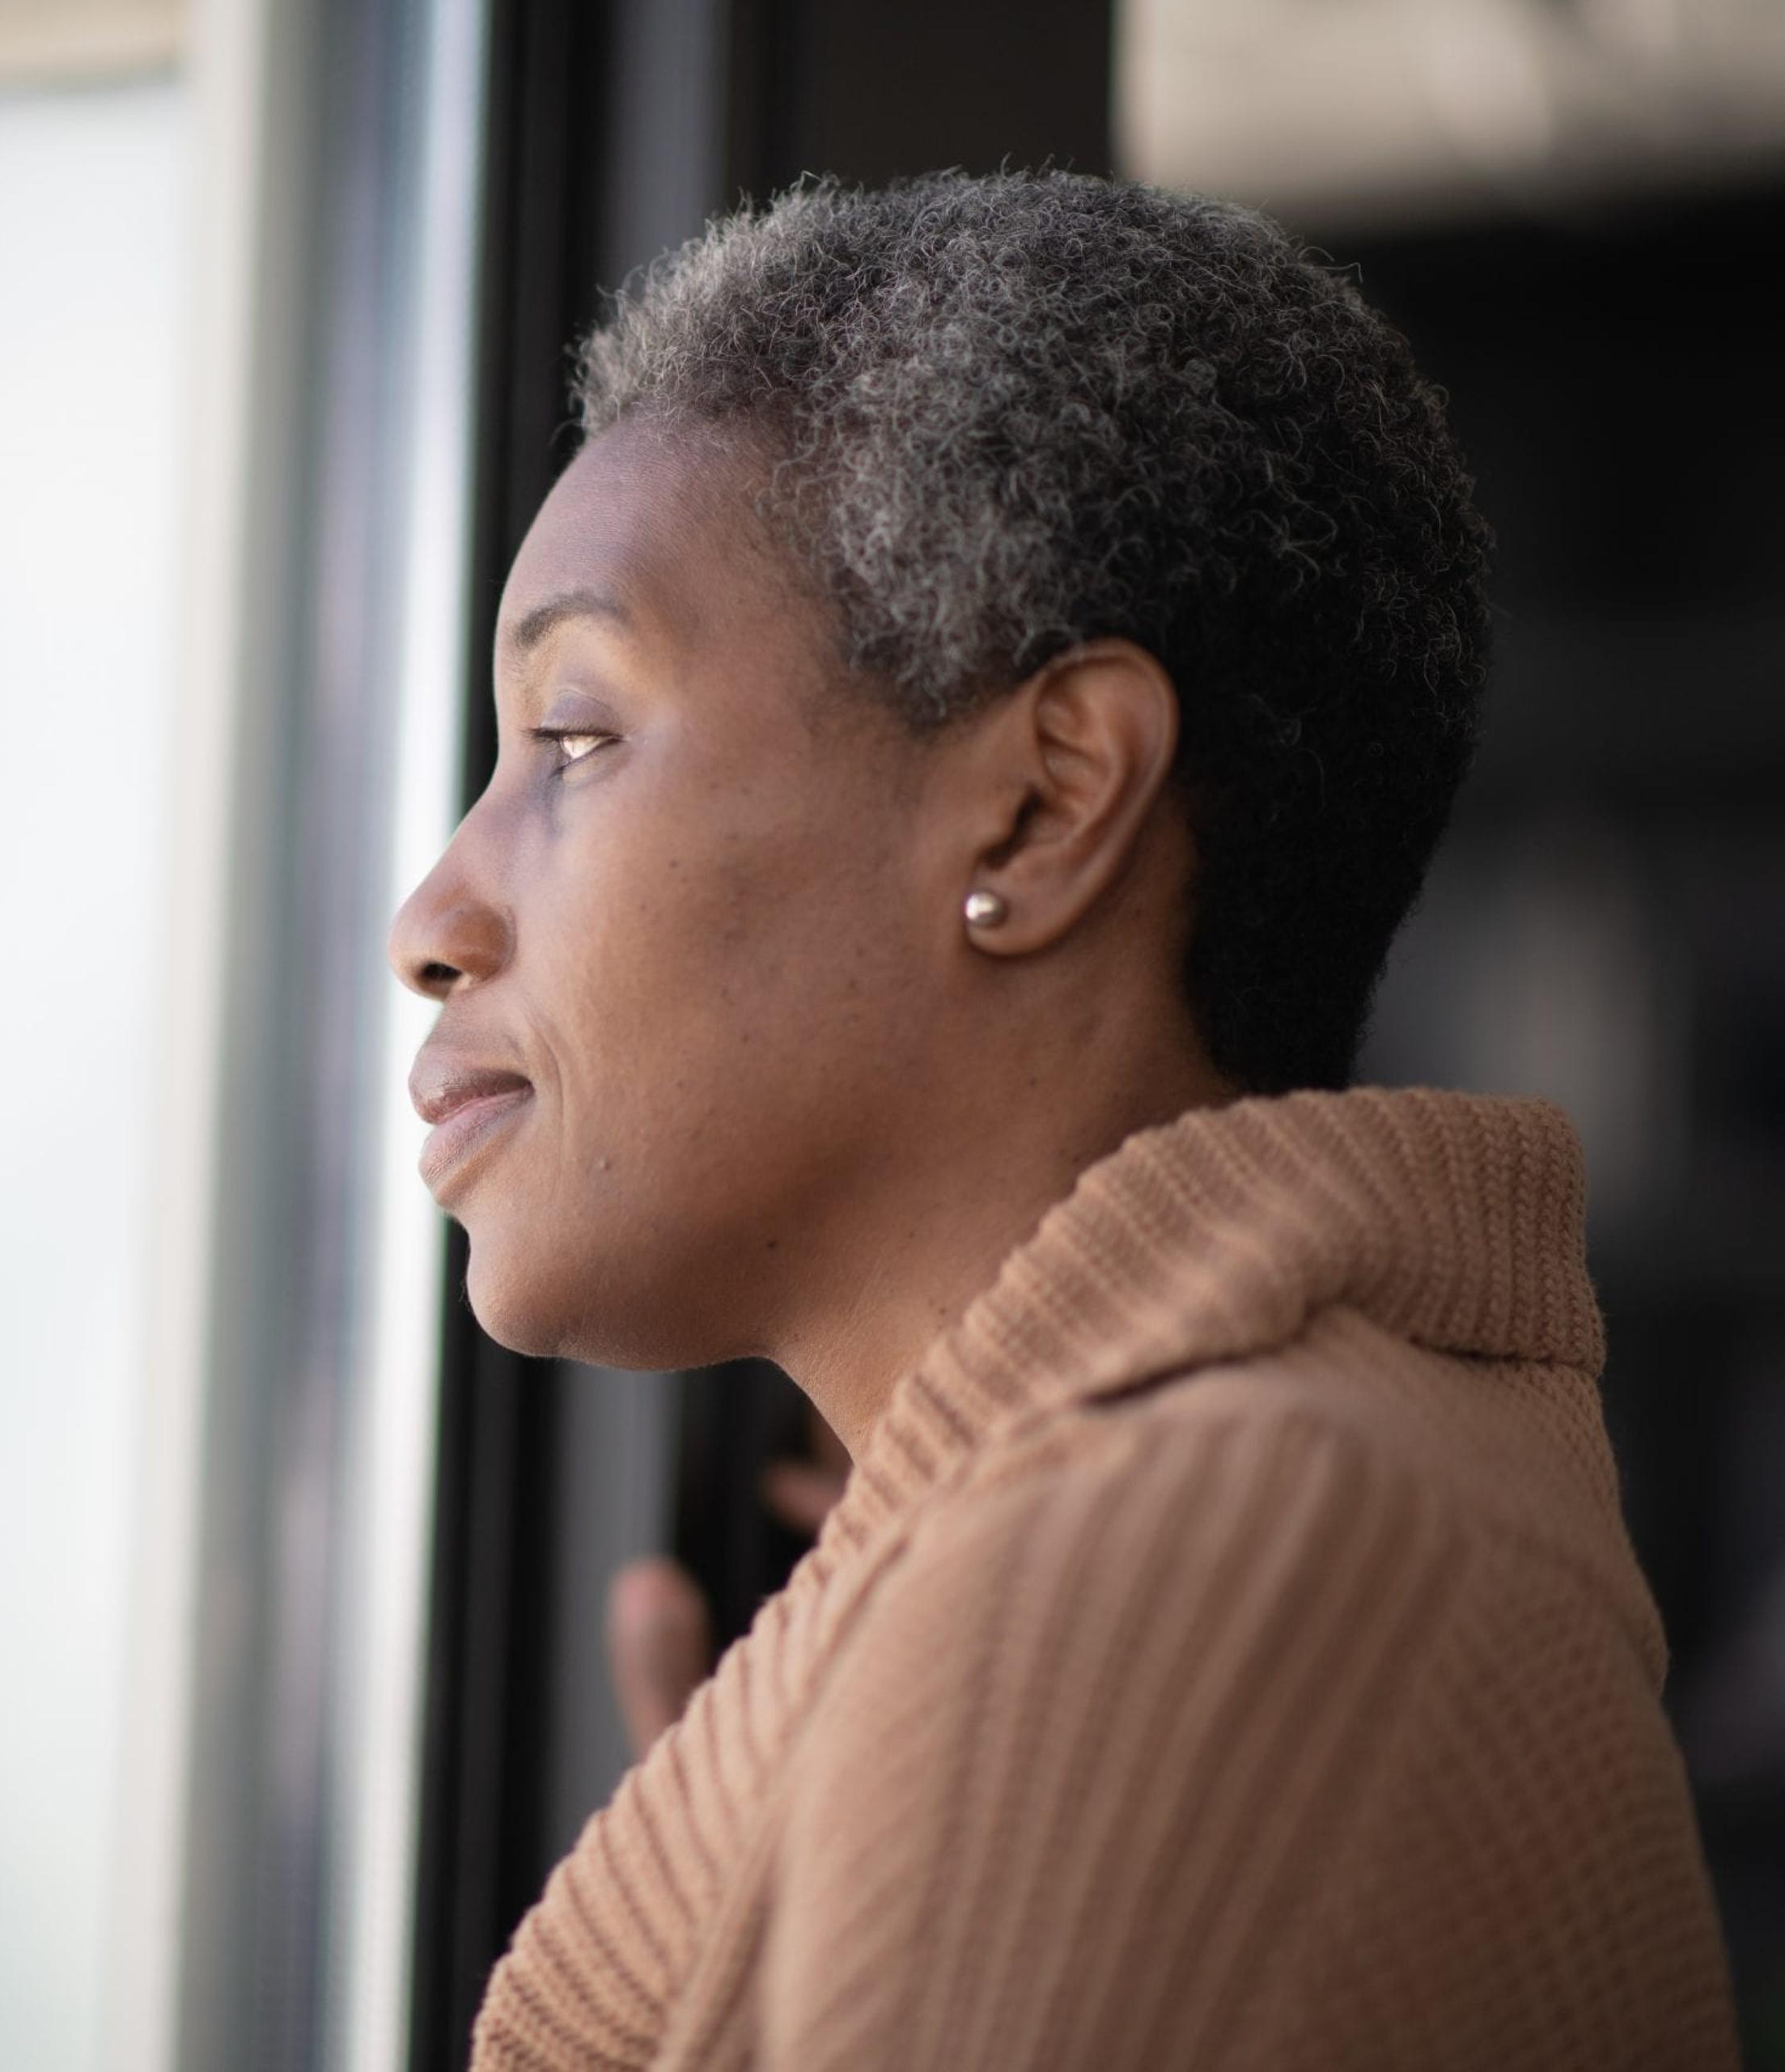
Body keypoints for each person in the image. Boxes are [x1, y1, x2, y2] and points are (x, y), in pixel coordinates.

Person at [388, 172, 1740, 2070]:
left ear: (1042, 806)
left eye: (582, 736)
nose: (429, 921)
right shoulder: (1253, 1529)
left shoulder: (1191, 1578)